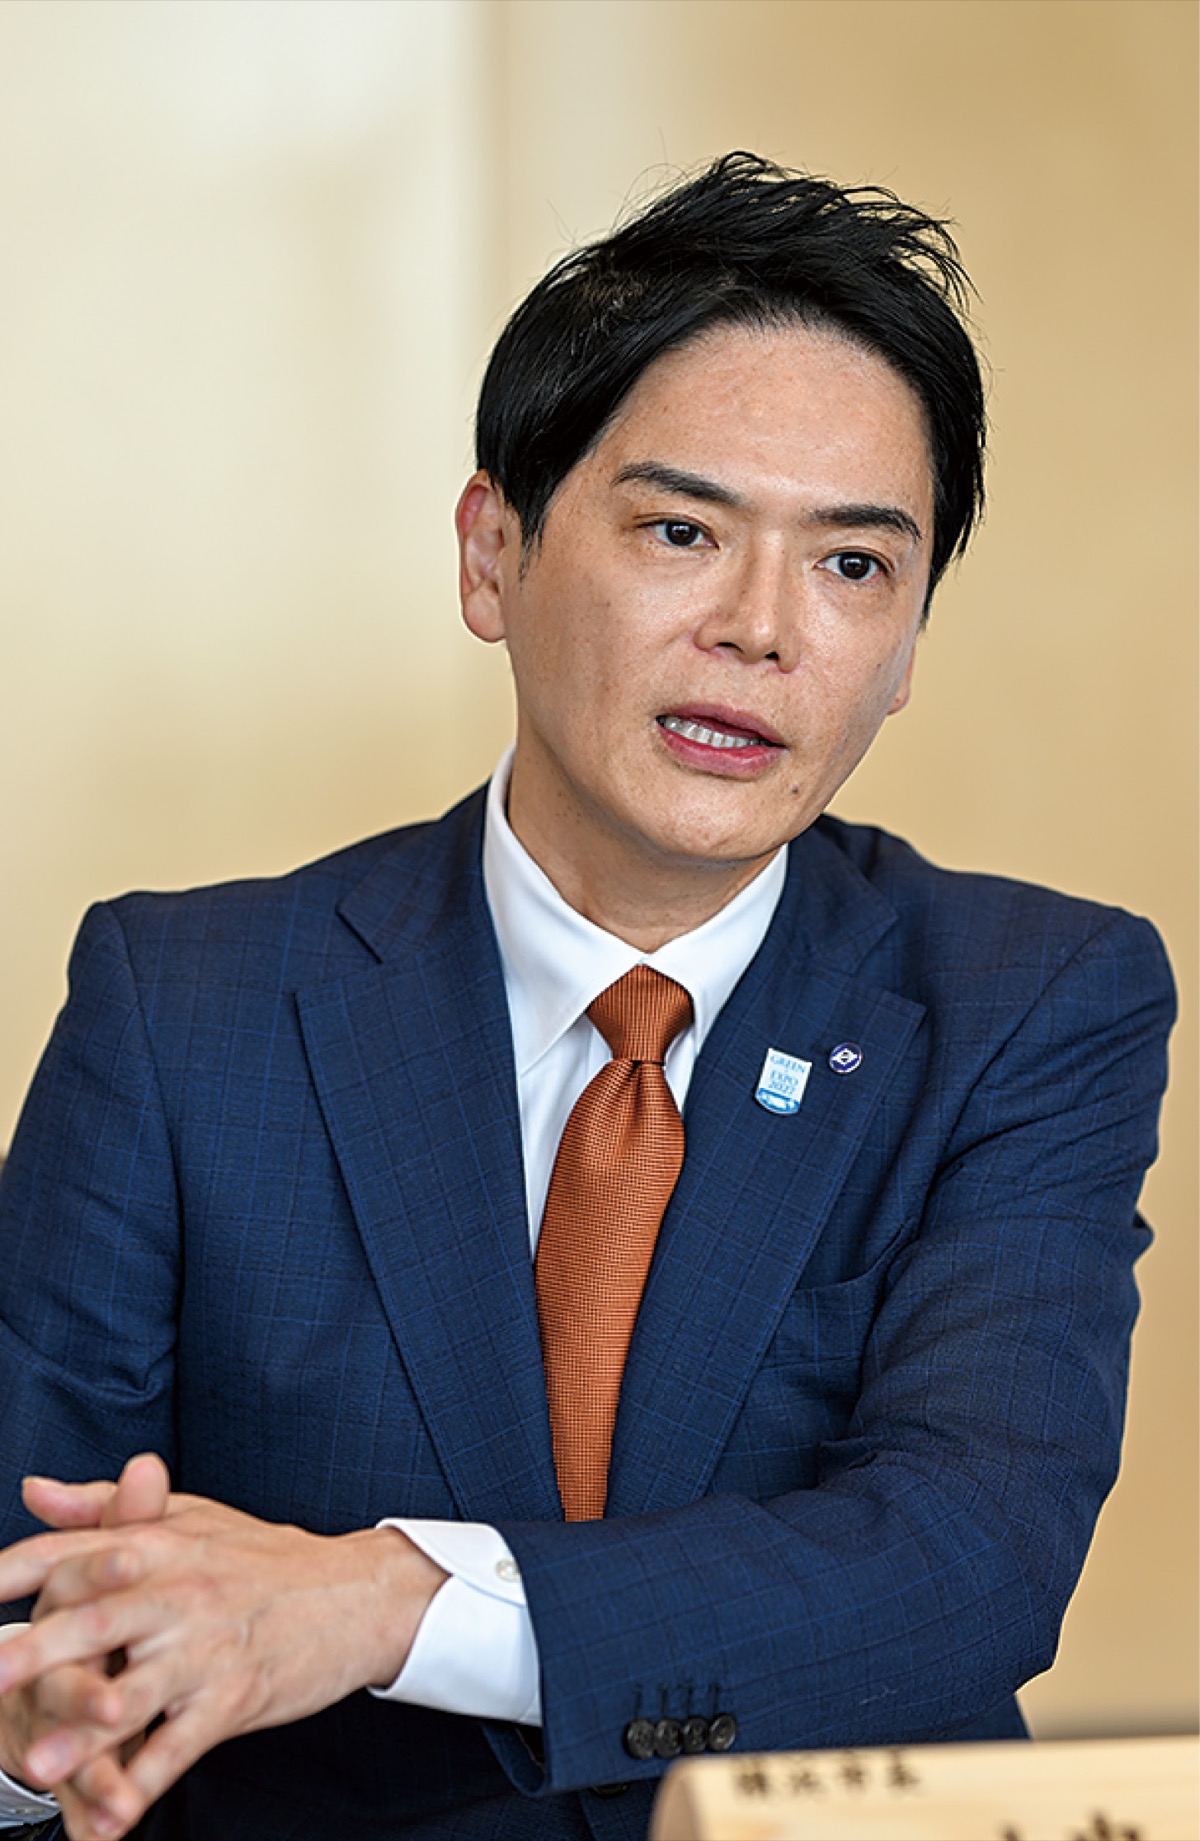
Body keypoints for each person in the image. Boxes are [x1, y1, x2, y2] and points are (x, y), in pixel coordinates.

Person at [0, 153, 1174, 1841]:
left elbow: (963, 1564)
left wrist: (385, 1602)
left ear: (911, 642)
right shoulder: (184, 1004)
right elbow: (33, 1596)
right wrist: (43, 1724)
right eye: (682, 530)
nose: (762, 629)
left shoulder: (1028, 1001)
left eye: (853, 566)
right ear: (494, 554)